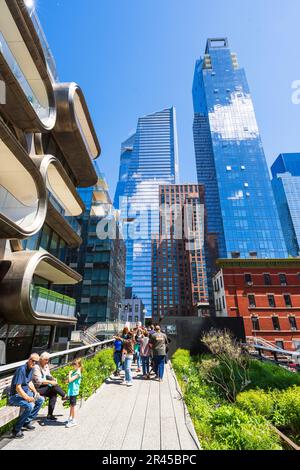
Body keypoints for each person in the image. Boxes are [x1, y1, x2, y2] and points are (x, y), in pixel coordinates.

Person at [9, 353, 45, 439]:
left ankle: (26, 421)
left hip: (25, 393)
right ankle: (16, 430)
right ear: (29, 360)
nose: (34, 363)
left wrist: (35, 392)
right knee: (29, 406)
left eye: (36, 362)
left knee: (40, 400)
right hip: (15, 396)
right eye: (33, 361)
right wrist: (27, 398)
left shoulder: (31, 368)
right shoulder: (21, 370)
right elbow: (18, 388)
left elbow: (29, 382)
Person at [32, 352, 68, 421]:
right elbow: (39, 381)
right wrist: (51, 382)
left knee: (53, 393)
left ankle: (50, 415)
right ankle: (64, 396)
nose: (47, 361)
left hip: (44, 387)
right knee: (53, 387)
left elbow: (48, 375)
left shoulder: (46, 366)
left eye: (48, 360)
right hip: (36, 389)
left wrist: (53, 378)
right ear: (41, 359)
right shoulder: (36, 367)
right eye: (46, 360)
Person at [65, 358, 83, 428]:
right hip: (71, 391)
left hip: (74, 391)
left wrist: (69, 374)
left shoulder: (78, 373)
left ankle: (73, 420)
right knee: (71, 405)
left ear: (79, 365)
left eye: (75, 364)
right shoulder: (75, 372)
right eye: (73, 364)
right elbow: (68, 381)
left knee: (73, 406)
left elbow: (70, 380)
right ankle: (70, 418)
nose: (73, 365)